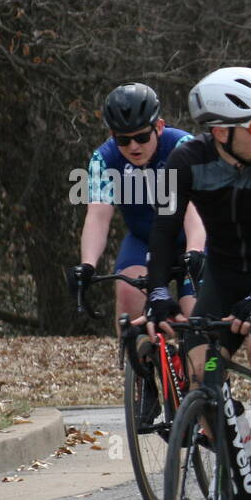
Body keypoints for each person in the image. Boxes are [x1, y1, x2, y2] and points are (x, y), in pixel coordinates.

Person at [144, 67, 251, 500]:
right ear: (221, 131)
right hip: (224, 275)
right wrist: (159, 293)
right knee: (200, 369)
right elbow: (164, 229)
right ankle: (234, 457)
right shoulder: (184, 161)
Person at [70, 83, 205, 331]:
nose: (133, 147)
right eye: (123, 139)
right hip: (143, 239)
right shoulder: (105, 159)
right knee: (127, 294)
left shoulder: (182, 146)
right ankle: (136, 362)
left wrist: (195, 251)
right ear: (112, 136)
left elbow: (192, 210)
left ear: (160, 127)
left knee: (196, 314)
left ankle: (202, 365)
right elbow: (98, 217)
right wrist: (87, 265)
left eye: (142, 137)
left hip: (190, 238)